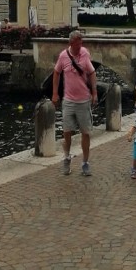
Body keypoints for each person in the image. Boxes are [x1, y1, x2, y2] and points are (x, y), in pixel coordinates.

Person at [50, 29, 98, 177]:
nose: (80, 47)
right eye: (77, 44)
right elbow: (56, 72)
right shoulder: (64, 56)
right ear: (71, 43)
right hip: (69, 101)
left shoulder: (84, 54)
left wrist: (94, 93)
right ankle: (67, 157)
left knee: (85, 132)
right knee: (67, 131)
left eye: (81, 43)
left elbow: (92, 73)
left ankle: (85, 162)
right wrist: (55, 93)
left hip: (83, 100)